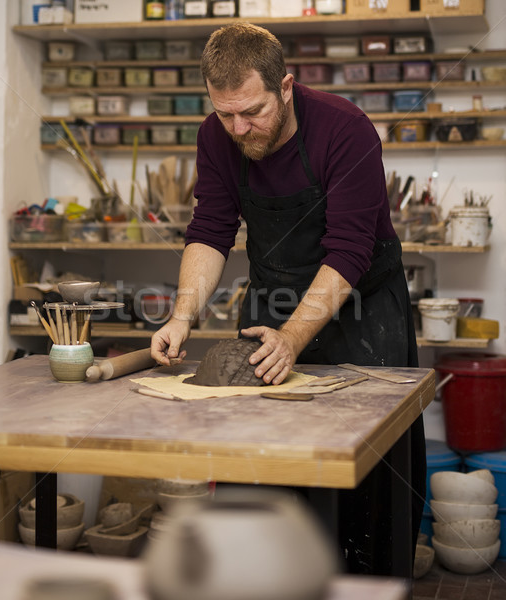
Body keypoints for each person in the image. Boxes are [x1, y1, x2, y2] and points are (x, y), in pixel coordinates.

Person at [150, 23, 425, 577]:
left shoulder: (346, 131)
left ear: (287, 86)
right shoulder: (217, 135)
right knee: (261, 463)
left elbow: (349, 249)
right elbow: (210, 228)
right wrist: (182, 316)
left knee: (368, 474)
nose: (238, 127)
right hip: (273, 300)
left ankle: (365, 581)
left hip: (362, 308)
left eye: (251, 111)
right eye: (224, 113)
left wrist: (294, 338)